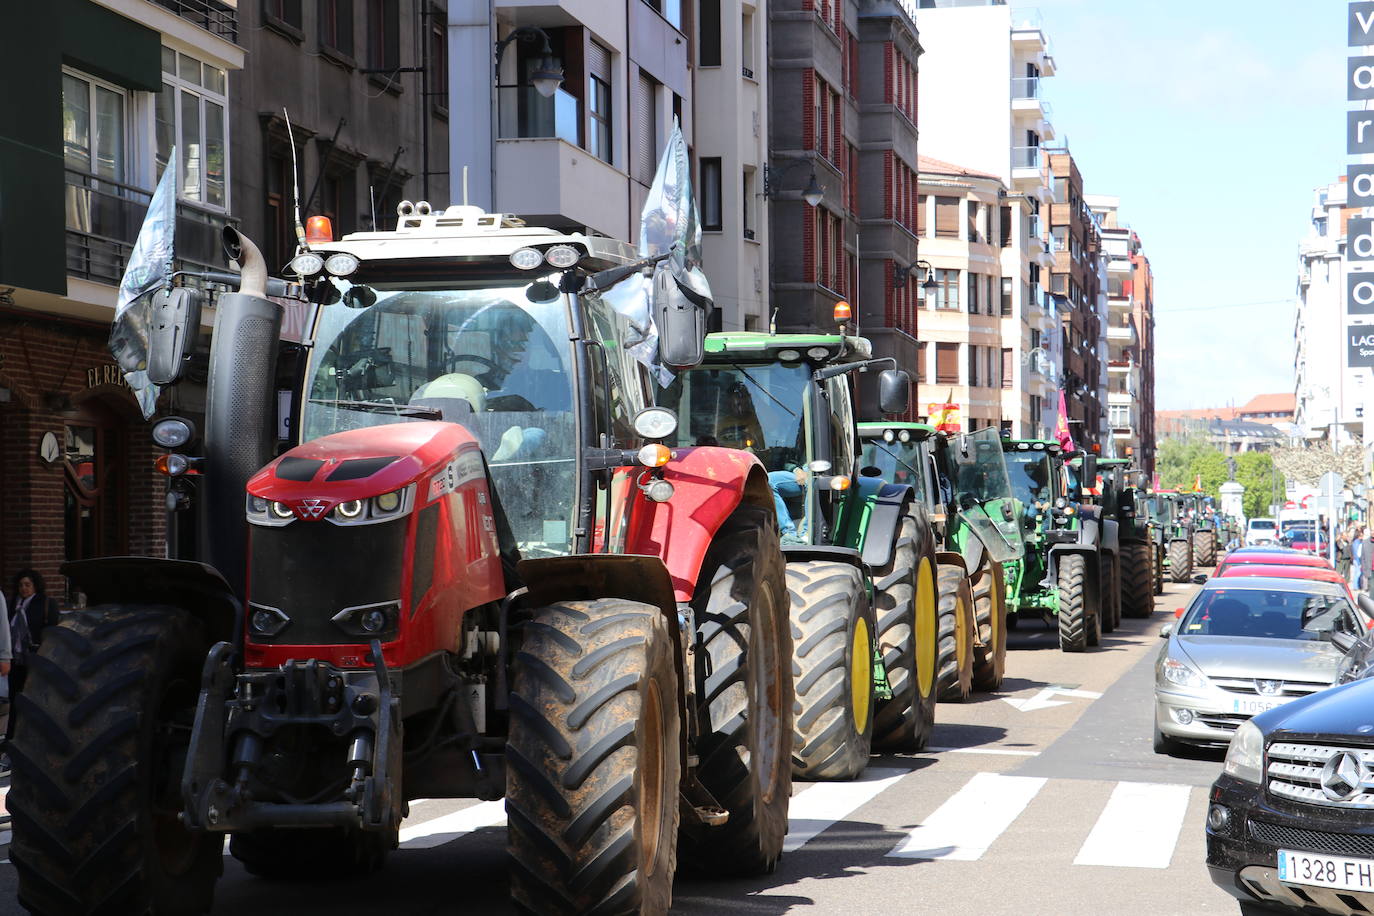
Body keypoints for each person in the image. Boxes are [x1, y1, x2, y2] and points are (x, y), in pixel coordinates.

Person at [6, 569, 59, 754]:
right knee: (15, 699)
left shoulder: (45, 604)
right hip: (16, 660)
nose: (24, 588)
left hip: (35, 658)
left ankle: (36, 739)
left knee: (36, 699)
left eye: (27, 585)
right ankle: (11, 738)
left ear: (35, 586)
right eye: (21, 585)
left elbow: (52, 631)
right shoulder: (12, 604)